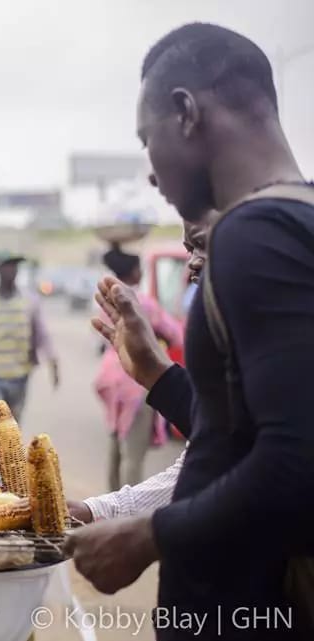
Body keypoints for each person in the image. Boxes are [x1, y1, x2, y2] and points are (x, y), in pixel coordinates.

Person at [65, 24, 314, 640]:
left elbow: (297, 460)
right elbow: (246, 433)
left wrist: (149, 535)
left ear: (186, 113)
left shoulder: (253, 235)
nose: (151, 173)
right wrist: (160, 375)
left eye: (147, 140)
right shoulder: (297, 221)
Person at [69, 210, 216, 524]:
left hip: (113, 380)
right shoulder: (146, 304)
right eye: (190, 250)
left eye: (202, 245)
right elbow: (214, 445)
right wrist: (100, 511)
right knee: (131, 451)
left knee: (121, 447)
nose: (192, 262)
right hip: (132, 381)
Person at [94, 248, 183, 491]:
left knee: (116, 445)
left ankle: (107, 506)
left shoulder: (105, 299)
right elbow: (176, 335)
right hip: (135, 380)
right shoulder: (141, 302)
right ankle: (125, 513)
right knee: (133, 452)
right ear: (134, 272)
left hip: (110, 376)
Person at [0, 250, 58, 422]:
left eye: (15, 267)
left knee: (11, 429)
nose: (12, 271)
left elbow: (41, 333)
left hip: (19, 375)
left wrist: (52, 362)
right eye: (7, 267)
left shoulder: (28, 300)